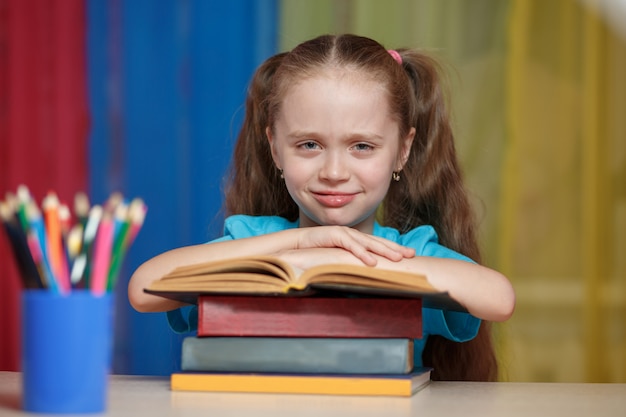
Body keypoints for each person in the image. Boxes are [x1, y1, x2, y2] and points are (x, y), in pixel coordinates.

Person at [128, 34, 515, 381]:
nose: (333, 172)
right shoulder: (253, 241)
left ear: (403, 150)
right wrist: (299, 245)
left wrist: (339, 259)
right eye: (309, 145)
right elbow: (144, 289)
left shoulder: (409, 253)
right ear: (275, 147)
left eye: (362, 146)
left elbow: (498, 298)